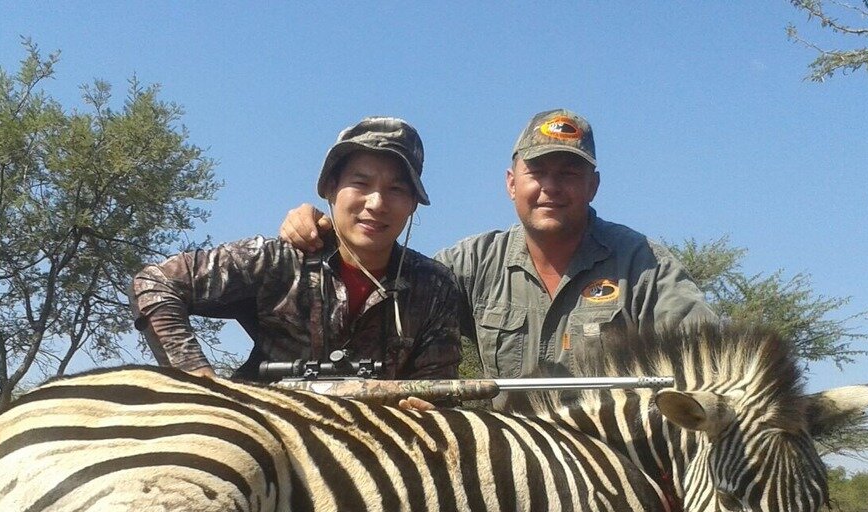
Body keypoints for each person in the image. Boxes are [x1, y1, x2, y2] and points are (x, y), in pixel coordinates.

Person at [279, 109, 715, 380]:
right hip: (509, 478)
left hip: (613, 472)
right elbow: (380, 272)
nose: (551, 188)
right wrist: (325, 231)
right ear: (511, 184)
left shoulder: (643, 264)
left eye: (568, 174)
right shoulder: (470, 263)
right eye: (538, 173)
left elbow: (713, 357)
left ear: (593, 186)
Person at [132, 116, 461, 382]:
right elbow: (155, 281)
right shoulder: (278, 260)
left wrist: (426, 409)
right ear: (330, 188)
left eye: (396, 189)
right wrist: (198, 380)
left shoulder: (434, 287)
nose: (376, 203)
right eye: (360, 183)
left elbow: (437, 386)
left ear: (413, 205)